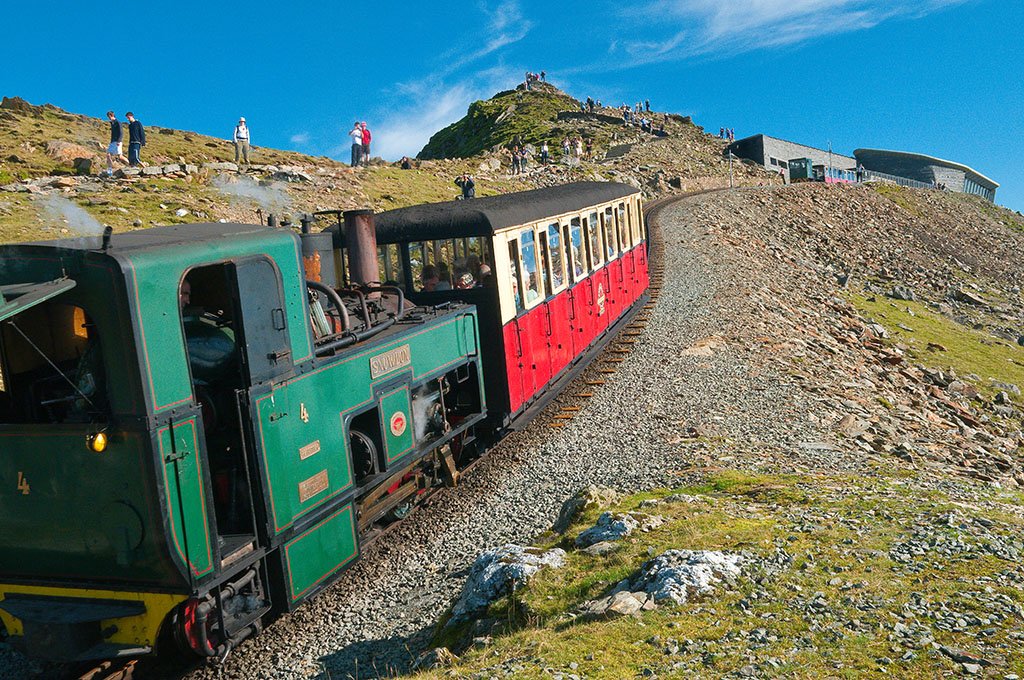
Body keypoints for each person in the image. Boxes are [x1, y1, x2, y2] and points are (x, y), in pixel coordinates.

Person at [104, 111, 123, 176]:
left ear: (110, 115)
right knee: (108, 154)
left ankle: (131, 166)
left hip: (117, 141)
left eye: (108, 116)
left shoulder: (117, 122)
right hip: (112, 142)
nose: (108, 118)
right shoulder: (112, 123)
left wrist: (119, 141)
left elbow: (121, 132)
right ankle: (110, 170)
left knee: (120, 157)